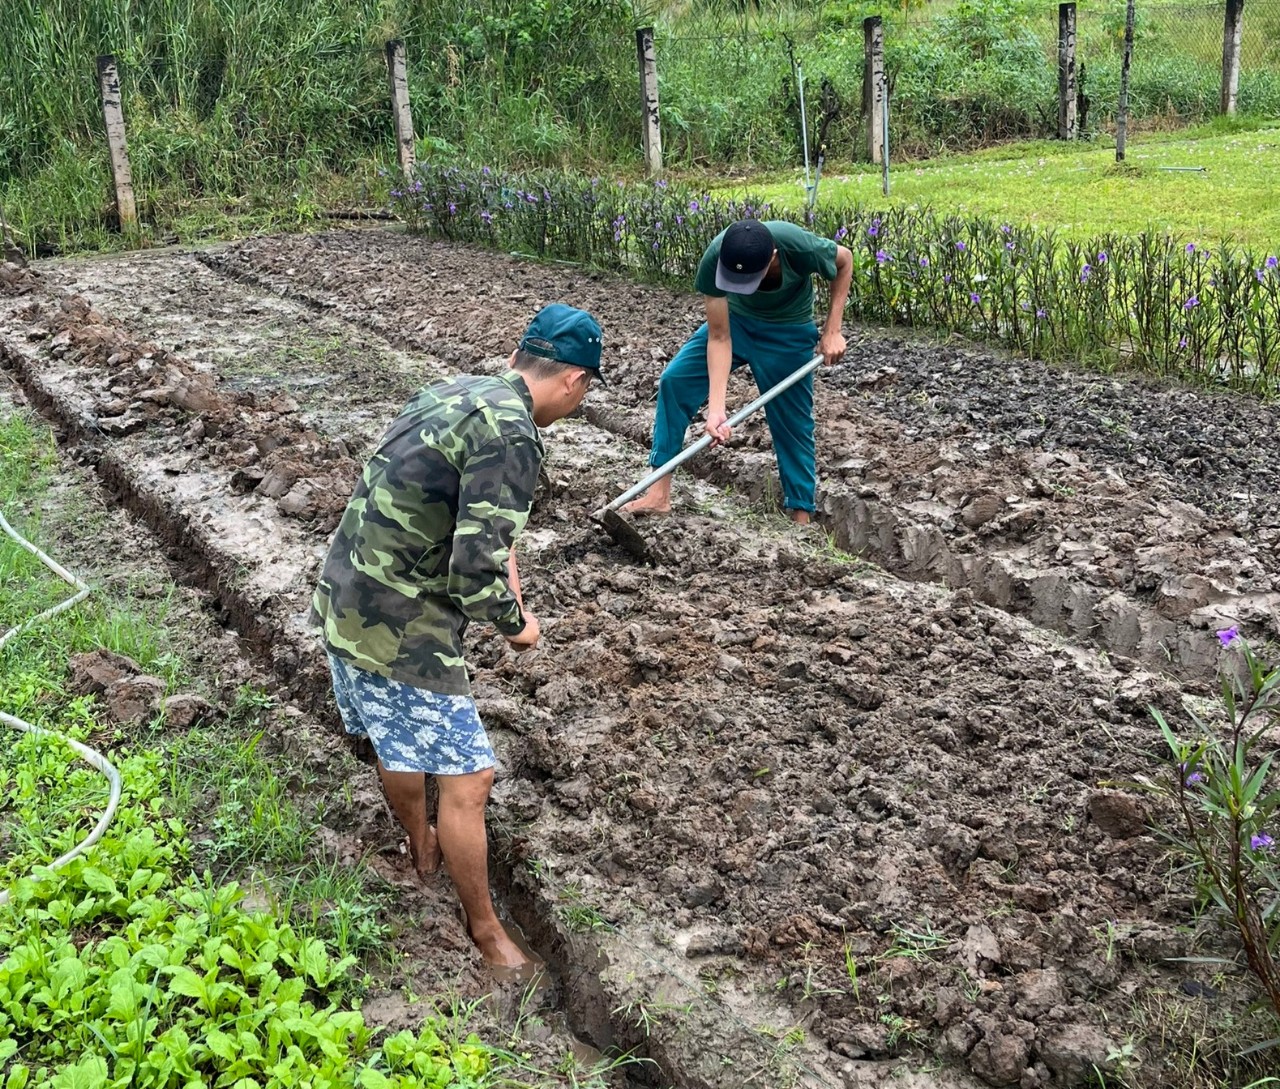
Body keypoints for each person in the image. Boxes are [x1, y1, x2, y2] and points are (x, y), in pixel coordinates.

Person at [312, 303, 605, 970]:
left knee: (397, 738)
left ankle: (422, 853)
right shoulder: (515, 436)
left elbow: (480, 530)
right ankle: (488, 935)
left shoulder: (455, 391)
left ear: (516, 357)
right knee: (470, 777)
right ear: (574, 382)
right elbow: (475, 577)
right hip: (398, 624)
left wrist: (510, 576)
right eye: (583, 394)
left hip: (345, 594)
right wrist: (518, 626)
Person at [623, 218, 852, 524]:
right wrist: (716, 409)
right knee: (675, 381)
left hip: (789, 330)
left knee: (792, 421)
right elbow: (719, 337)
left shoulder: (796, 245)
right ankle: (658, 495)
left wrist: (832, 329)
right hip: (737, 323)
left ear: (771, 257)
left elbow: (845, 260)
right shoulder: (715, 257)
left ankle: (801, 517)